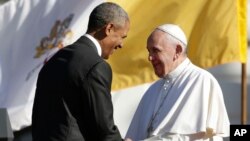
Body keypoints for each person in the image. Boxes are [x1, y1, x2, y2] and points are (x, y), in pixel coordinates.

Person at [32, 2, 131, 141]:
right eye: (122, 36)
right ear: (109, 28)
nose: (121, 44)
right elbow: (103, 128)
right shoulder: (96, 66)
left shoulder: (53, 61)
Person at [125, 24, 230, 141]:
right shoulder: (152, 89)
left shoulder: (200, 80)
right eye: (149, 51)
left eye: (155, 50)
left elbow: (185, 137)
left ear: (177, 50)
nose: (150, 57)